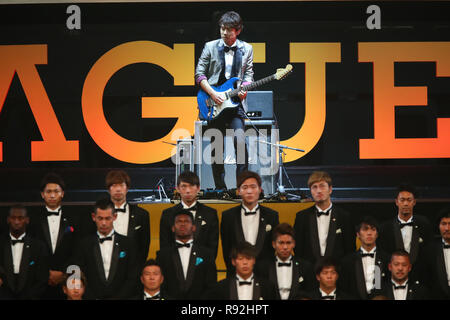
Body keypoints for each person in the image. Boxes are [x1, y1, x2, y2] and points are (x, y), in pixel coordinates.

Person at [195, 11, 253, 190]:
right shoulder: (210, 46)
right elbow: (199, 74)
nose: (224, 32)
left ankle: (241, 187)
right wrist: (212, 93)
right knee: (216, 147)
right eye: (222, 28)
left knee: (241, 142)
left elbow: (249, 73)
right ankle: (221, 189)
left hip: (235, 104)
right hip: (213, 102)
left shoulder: (247, 49)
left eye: (228, 29)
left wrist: (245, 87)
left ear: (238, 31)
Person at [28, 173, 82, 299]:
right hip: (38, 284)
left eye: (56, 191)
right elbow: (30, 250)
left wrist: (63, 274)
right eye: (48, 191)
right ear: (42, 194)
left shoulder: (74, 219)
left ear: (62, 193)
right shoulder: (33, 219)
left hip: (66, 282)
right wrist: (45, 274)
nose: (52, 195)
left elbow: (77, 250)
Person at [73, 198, 139, 300]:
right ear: (93, 217)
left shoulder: (128, 244)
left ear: (115, 217)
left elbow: (132, 277)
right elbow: (80, 275)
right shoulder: (84, 245)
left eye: (107, 218)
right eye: (100, 218)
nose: (104, 223)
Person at [221, 171, 279, 276]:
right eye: (245, 187)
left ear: (260, 190)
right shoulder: (228, 217)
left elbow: (273, 249)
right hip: (236, 276)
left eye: (253, 187)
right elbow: (227, 250)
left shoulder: (272, 216)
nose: (249, 191)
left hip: (265, 277)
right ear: (238, 191)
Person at [293, 171, 354, 265]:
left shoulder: (344, 217)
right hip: (309, 273)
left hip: (337, 273)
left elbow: (349, 250)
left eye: (322, 186)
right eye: (314, 187)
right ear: (310, 191)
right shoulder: (302, 217)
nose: (318, 191)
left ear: (330, 189)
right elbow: (298, 249)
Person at [156, 209, 216, 300]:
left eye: (186, 221)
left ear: (193, 227)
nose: (182, 224)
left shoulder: (206, 254)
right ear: (173, 228)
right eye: (179, 221)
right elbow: (160, 285)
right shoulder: (162, 255)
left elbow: (211, 285)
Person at [378, 184, 432, 283]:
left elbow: (429, 255)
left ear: (414, 202)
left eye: (409, 200)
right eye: (402, 200)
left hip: (420, 282)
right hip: (391, 282)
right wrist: (378, 287)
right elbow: (379, 259)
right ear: (396, 202)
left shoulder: (424, 224)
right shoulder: (385, 228)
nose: (406, 203)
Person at [160, 171, 219, 258]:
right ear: (178, 189)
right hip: (174, 267)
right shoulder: (167, 214)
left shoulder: (210, 214)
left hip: (203, 267)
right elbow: (165, 247)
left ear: (198, 188)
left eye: (191, 186)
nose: (188, 191)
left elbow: (212, 248)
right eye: (184, 186)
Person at [0, 204, 49, 300]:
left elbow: (43, 278)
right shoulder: (1, 243)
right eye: (13, 218)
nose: (17, 222)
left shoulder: (38, 246)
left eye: (20, 218)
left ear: (27, 220)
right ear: (8, 220)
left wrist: (30, 296)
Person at [255, 223, 315, 300]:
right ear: (274, 244)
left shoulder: (305, 267)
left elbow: (310, 294)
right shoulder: (262, 267)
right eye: (281, 243)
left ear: (294, 244)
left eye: (288, 243)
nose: (285, 247)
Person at [105, 170, 150, 264]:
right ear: (108, 189)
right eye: (114, 185)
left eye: (121, 185)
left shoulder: (141, 214)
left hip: (132, 267)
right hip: (105, 265)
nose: (118, 189)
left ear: (127, 188)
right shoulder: (100, 214)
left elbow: (144, 247)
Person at [340, 216, 390, 300]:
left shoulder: (386, 259)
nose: (369, 233)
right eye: (365, 229)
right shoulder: (347, 261)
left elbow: (386, 286)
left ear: (377, 234)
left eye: (373, 229)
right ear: (358, 234)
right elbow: (344, 289)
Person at [206, 241, 276, 300]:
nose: (245, 262)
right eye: (240, 258)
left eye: (248, 258)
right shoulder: (221, 288)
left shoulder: (267, 287)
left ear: (254, 260)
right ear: (233, 261)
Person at [423, 208, 450, 299]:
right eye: (444, 224)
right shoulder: (430, 250)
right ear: (438, 226)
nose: (447, 228)